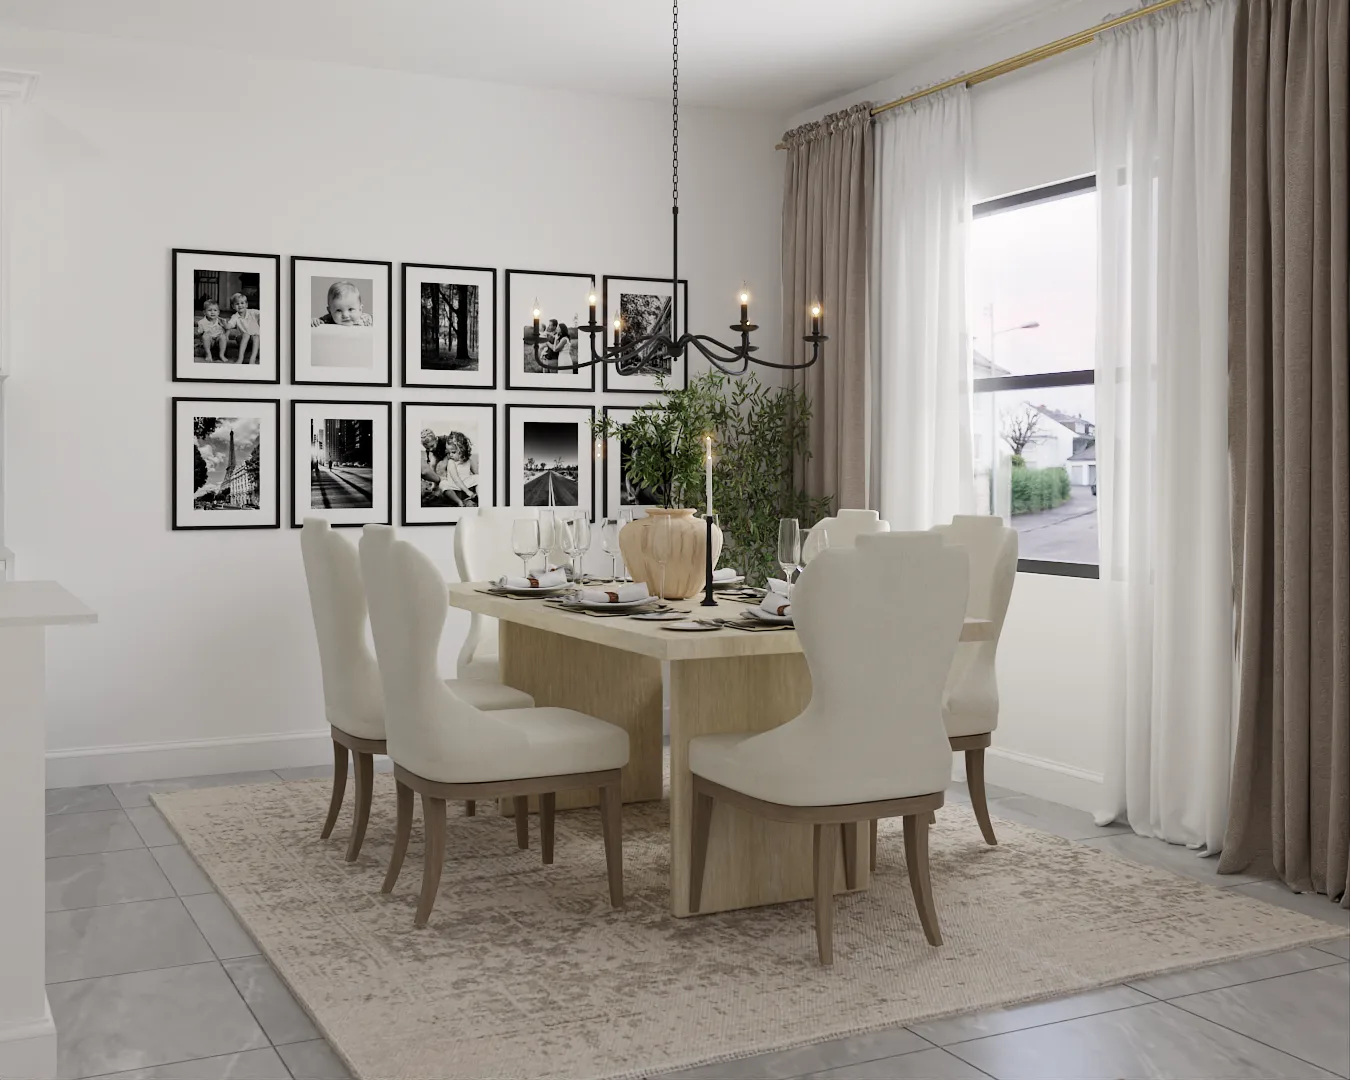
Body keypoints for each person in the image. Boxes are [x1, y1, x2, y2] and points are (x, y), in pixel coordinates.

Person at [435, 430, 478, 507]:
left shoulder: (468, 461)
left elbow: (476, 472)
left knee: (479, 478)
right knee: (443, 484)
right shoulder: (451, 462)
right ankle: (459, 501)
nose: (450, 455)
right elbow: (456, 479)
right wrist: (467, 491)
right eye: (448, 452)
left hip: (467, 485)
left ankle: (478, 496)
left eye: (453, 452)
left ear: (462, 450)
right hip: (455, 488)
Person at [226, 292, 261, 364]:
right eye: (237, 304)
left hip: (254, 340)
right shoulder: (235, 316)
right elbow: (230, 325)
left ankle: (252, 359)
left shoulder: (252, 312)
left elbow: (263, 313)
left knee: (256, 336)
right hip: (241, 339)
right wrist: (225, 325)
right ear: (233, 306)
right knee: (246, 334)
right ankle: (240, 358)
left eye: (242, 303)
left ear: (246, 305)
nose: (240, 305)